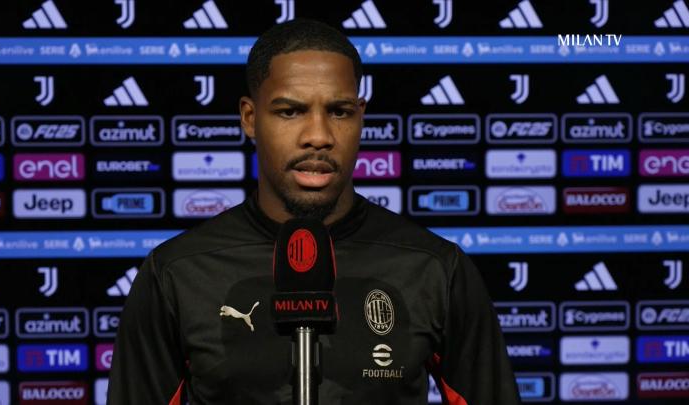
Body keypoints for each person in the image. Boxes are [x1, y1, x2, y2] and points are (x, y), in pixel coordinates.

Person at [108, 19, 520, 405]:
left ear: (360, 117)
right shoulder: (176, 274)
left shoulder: (435, 268)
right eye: (290, 111)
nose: (319, 136)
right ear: (250, 118)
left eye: (339, 112)